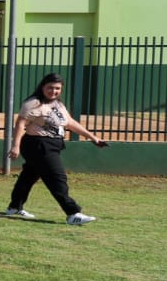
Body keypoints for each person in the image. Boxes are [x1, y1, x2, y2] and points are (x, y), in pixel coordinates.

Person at [7, 72, 108, 224]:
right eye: (50, 88)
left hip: (53, 145)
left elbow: (70, 123)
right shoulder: (33, 103)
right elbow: (20, 124)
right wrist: (15, 146)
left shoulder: (57, 104)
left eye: (57, 88)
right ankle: (73, 213)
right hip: (38, 145)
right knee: (57, 178)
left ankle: (14, 207)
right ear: (42, 87)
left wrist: (93, 137)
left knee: (28, 176)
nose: (53, 91)